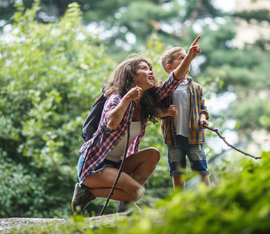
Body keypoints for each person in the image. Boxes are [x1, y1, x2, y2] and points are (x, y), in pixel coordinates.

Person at [71, 38, 202, 215]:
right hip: (95, 165)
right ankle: (86, 192)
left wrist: (189, 58)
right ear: (131, 75)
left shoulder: (148, 100)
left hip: (116, 165)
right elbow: (111, 122)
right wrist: (127, 100)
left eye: (150, 69)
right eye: (144, 68)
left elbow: (173, 81)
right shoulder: (116, 98)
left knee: (153, 154)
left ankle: (124, 205)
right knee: (137, 192)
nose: (150, 72)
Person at [158, 47, 210, 189]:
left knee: (201, 169)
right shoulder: (165, 88)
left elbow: (203, 109)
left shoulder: (196, 87)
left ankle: (208, 198)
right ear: (169, 67)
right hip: (173, 138)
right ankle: (179, 202)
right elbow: (156, 112)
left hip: (194, 135)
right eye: (181, 58)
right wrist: (165, 112)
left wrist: (203, 118)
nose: (186, 59)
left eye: (186, 57)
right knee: (177, 172)